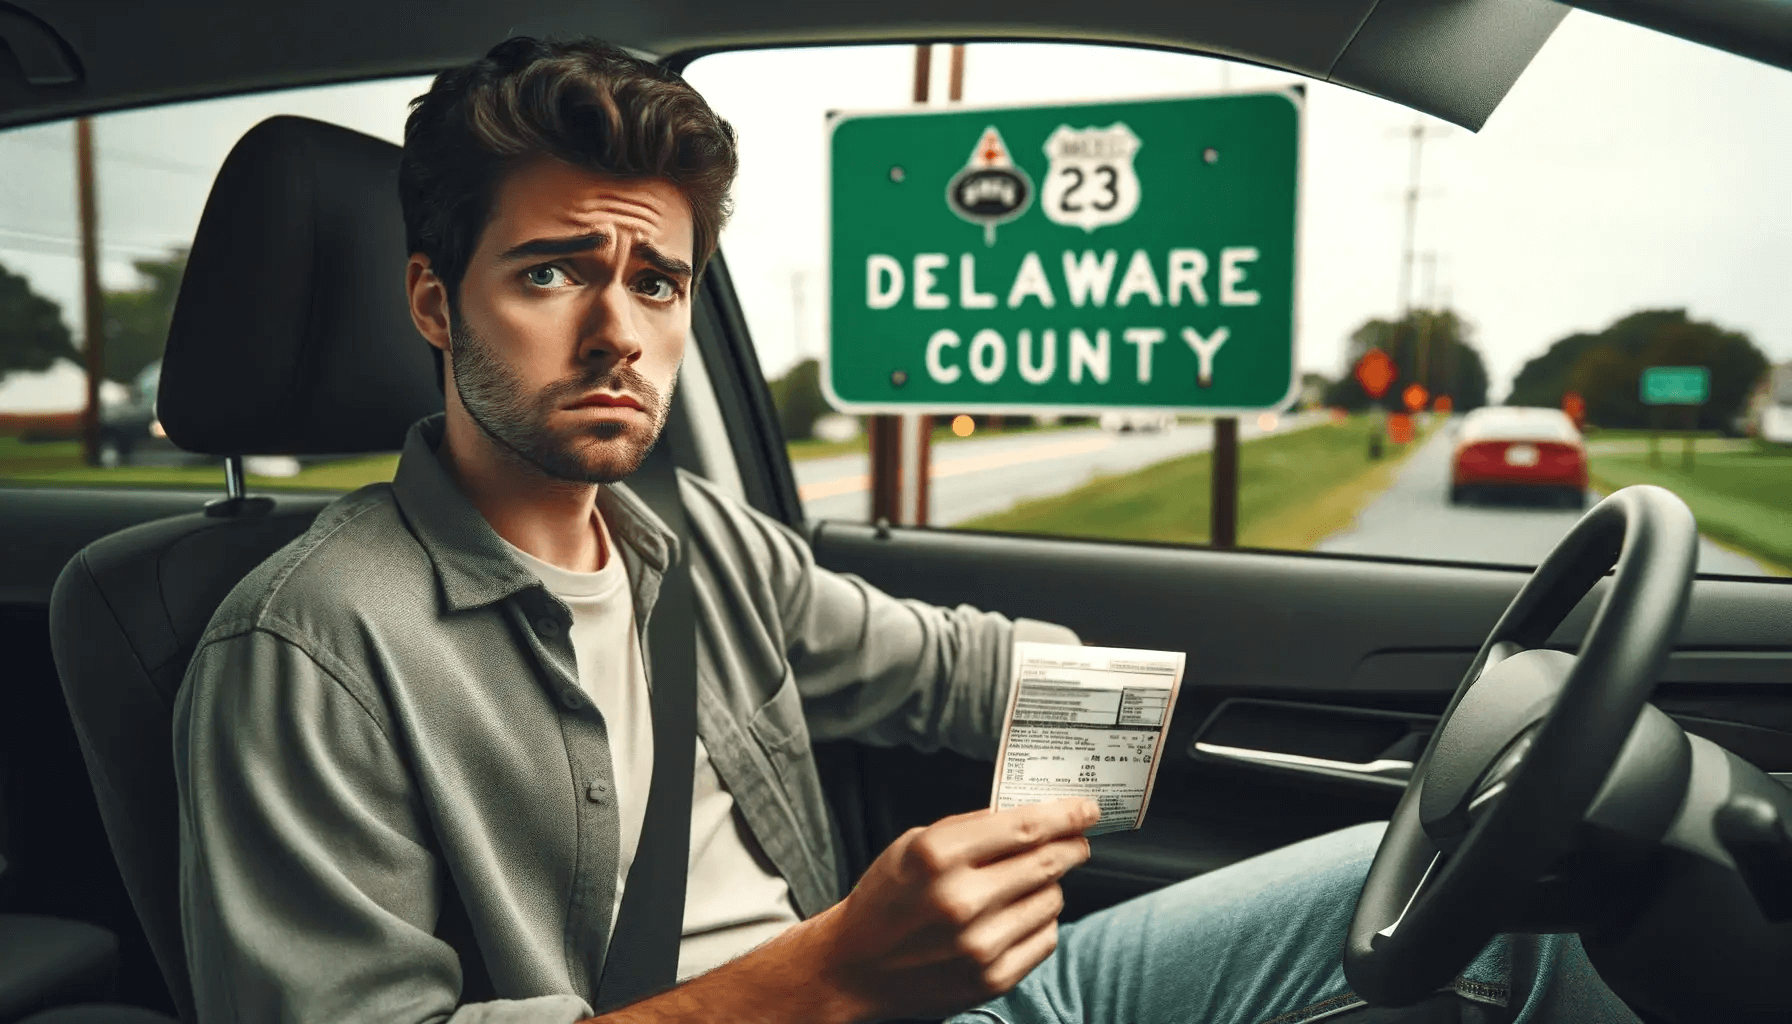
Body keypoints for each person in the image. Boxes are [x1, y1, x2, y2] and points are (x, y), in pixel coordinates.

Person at [172, 36, 1640, 1024]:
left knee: (1514, 890)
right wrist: (831, 977)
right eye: (554, 274)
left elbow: (974, 670)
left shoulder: (694, 537)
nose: (620, 333)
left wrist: (1058, 833)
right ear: (435, 302)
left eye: (660, 283)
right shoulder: (310, 649)